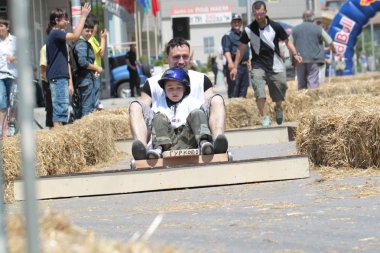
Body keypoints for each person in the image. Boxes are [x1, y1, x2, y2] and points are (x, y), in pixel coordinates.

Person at [129, 37, 228, 160]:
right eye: (176, 57)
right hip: (164, 133)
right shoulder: (152, 82)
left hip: (192, 133)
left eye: (185, 56)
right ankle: (141, 150)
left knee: (217, 99)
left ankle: (216, 144)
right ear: (167, 57)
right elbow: (142, 112)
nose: (181, 61)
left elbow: (212, 108)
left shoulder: (202, 79)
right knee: (135, 106)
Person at [230, 1, 302, 128]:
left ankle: (278, 108)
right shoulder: (249, 30)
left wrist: (295, 54)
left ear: (266, 11)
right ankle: (265, 116)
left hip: (275, 63)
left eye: (261, 13)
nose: (258, 17)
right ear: (253, 13)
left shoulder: (276, 26)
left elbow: (287, 41)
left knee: (281, 88)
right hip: (257, 65)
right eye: (256, 14)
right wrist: (235, 66)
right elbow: (240, 49)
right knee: (259, 90)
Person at [146, 67, 214, 159]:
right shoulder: (158, 104)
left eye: (178, 88)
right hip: (168, 144)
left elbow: (200, 120)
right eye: (170, 88)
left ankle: (204, 143)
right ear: (164, 89)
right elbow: (155, 128)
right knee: (158, 117)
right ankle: (158, 150)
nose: (175, 92)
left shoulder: (193, 102)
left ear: (185, 88)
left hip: (189, 141)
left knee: (197, 113)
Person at [46, 3, 91, 127]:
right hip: (58, 77)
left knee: (61, 110)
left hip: (59, 76)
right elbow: (76, 36)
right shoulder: (56, 33)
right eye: (65, 19)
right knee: (60, 111)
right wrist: (83, 16)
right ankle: (59, 139)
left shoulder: (55, 35)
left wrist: (69, 81)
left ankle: (59, 136)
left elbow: (66, 62)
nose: (67, 22)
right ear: (56, 20)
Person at [290, 10, 334, 90]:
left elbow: (289, 44)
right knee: (312, 82)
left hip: (299, 59)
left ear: (303, 18)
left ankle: (303, 100)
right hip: (314, 59)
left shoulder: (295, 29)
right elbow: (330, 41)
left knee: (301, 83)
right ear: (313, 18)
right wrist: (332, 49)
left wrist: (292, 58)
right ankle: (313, 100)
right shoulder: (318, 29)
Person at [73, 17, 103, 119]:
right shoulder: (81, 44)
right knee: (87, 110)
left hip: (85, 79)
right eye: (87, 31)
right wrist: (96, 68)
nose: (89, 33)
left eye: (91, 30)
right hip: (85, 80)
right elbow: (82, 62)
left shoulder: (84, 42)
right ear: (81, 30)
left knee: (83, 109)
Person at [221, 13, 250, 98]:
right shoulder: (228, 36)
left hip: (244, 66)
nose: (237, 23)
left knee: (244, 88)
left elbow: (246, 49)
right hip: (234, 65)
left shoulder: (243, 35)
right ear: (231, 23)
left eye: (238, 21)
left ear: (241, 23)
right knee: (234, 89)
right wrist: (230, 63)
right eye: (234, 22)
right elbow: (226, 50)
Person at [0, 18, 17, 135]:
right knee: (1, 102)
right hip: (0, 75)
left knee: (12, 102)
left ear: (7, 27)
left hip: (13, 75)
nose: (0, 28)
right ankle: (2, 128)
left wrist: (13, 58)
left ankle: (11, 124)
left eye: (1, 26)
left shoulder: (15, 40)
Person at [88, 14, 107, 110]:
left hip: (96, 71)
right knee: (94, 93)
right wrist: (103, 38)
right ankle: (96, 108)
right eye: (96, 25)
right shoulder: (91, 39)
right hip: (94, 71)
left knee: (96, 92)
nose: (97, 27)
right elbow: (101, 53)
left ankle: (97, 106)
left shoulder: (93, 38)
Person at [39, 26, 53, 128]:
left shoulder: (63, 46)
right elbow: (43, 67)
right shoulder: (45, 48)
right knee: (50, 106)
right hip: (48, 81)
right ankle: (51, 127)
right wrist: (47, 82)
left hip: (59, 80)